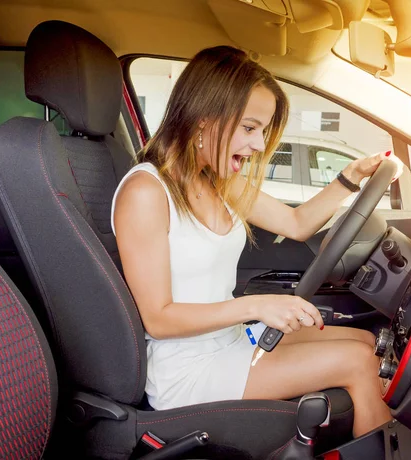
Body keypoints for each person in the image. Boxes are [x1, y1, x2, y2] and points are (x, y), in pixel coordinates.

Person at [112, 46, 395, 438]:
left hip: (228, 341)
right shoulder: (146, 191)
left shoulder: (218, 181)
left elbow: (296, 223)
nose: (260, 145)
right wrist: (257, 306)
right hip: (186, 371)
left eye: (261, 130)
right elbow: (157, 319)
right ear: (202, 120)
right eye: (249, 128)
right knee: (358, 362)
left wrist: (348, 179)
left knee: (367, 342)